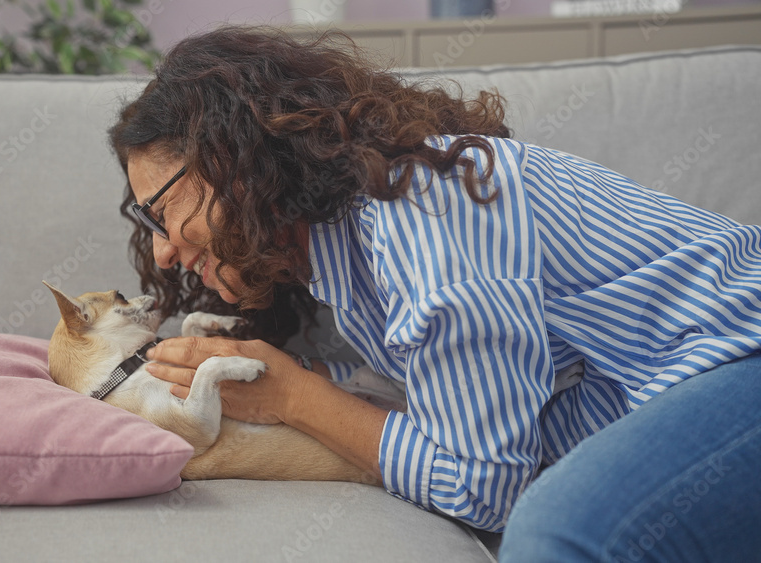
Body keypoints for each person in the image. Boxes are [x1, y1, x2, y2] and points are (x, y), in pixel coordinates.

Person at [109, 26, 761, 561]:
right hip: (679, 389)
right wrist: (289, 377)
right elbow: (435, 397)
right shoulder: (338, 257)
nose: (163, 250)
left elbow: (485, 488)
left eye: (161, 210)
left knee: (555, 536)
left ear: (233, 153)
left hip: (738, 350)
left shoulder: (425, 210)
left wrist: (294, 395)